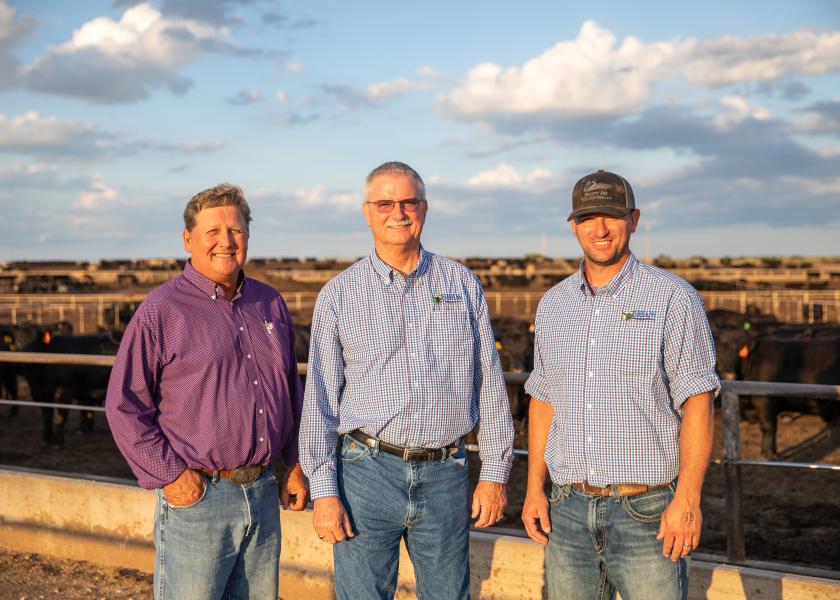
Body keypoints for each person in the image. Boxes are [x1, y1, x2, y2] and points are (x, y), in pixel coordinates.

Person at [299, 161, 514, 599]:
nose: (397, 212)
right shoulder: (339, 294)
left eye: (408, 201)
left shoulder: (462, 284)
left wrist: (494, 472)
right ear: (367, 212)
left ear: (425, 208)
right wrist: (323, 491)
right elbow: (320, 397)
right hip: (365, 472)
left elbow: (488, 384)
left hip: (445, 473)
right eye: (384, 203)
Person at [521, 170, 719, 599]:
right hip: (567, 509)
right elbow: (543, 399)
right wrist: (534, 488)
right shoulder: (554, 304)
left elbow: (698, 402)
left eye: (611, 215)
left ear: (633, 219)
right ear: (572, 225)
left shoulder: (673, 298)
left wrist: (687, 500)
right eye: (588, 217)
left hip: (646, 511)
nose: (600, 228)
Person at [105, 183, 309, 600]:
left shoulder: (269, 302)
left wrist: (296, 462)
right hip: (200, 497)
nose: (226, 241)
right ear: (188, 239)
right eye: (213, 231)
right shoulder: (162, 310)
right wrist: (170, 476)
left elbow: (290, 389)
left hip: (264, 493)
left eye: (236, 230)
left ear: (247, 237)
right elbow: (123, 405)